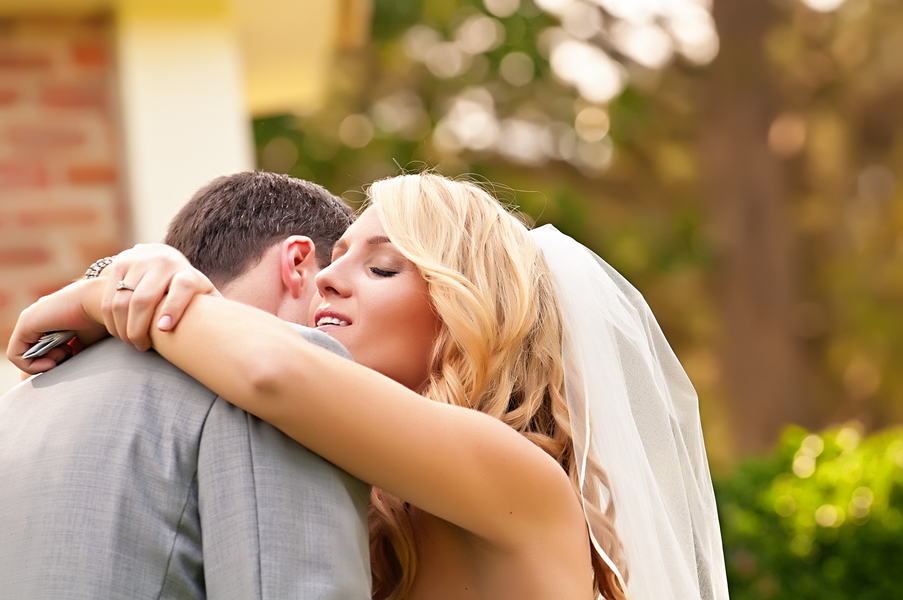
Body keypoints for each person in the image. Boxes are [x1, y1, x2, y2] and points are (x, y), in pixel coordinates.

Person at [9, 172, 730, 599]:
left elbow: (272, 370)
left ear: (463, 314)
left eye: (381, 269)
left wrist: (113, 289)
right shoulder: (377, 505)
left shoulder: (522, 481)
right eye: (335, 258)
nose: (327, 278)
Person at [0, 171, 372, 599]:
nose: (332, 310)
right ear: (297, 263)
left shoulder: (21, 406)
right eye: (333, 279)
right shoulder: (269, 389)